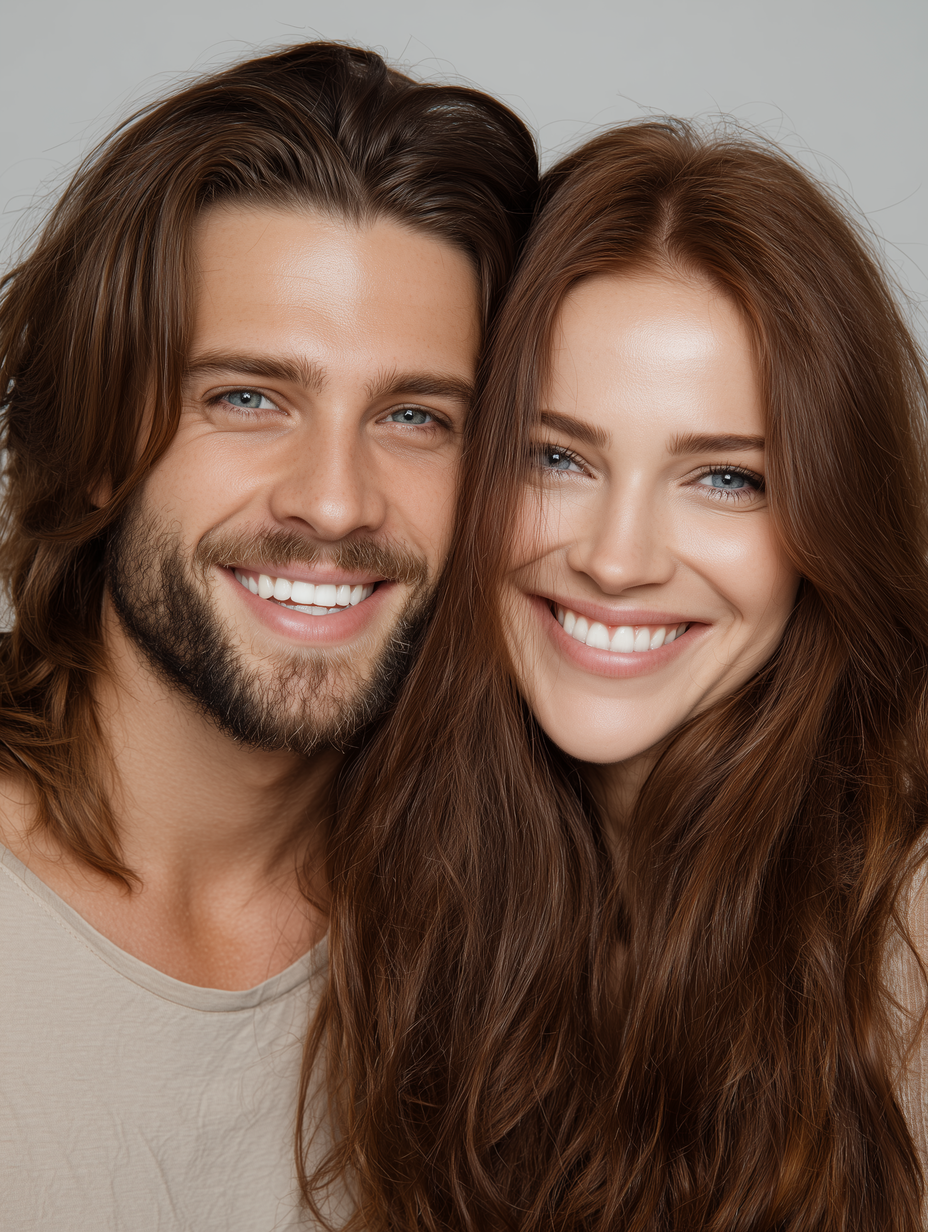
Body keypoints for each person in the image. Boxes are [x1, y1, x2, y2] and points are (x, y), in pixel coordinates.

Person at [324, 120, 928, 1229]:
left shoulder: (903, 933)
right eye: (557, 457)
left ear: (833, 517)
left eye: (726, 478)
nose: (616, 556)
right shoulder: (410, 858)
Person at [0, 42, 536, 1230]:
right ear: (96, 435)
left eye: (413, 414)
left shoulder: (523, 931)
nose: (335, 501)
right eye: (249, 395)